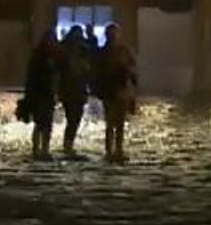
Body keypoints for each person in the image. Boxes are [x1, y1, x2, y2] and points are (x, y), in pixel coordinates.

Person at [95, 24, 137, 163]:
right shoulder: (105, 52)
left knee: (119, 123)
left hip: (120, 89)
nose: (113, 36)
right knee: (112, 123)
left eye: (115, 34)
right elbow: (98, 72)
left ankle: (117, 149)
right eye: (111, 34)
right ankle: (110, 150)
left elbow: (132, 67)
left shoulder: (122, 50)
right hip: (110, 90)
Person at [23, 29, 60, 160]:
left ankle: (44, 149)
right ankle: (37, 150)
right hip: (40, 94)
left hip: (47, 94)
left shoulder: (52, 56)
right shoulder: (40, 56)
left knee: (46, 124)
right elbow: (32, 77)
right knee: (40, 123)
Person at [58, 25, 92, 157]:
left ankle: (68, 144)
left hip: (74, 90)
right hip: (73, 90)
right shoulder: (71, 51)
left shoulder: (68, 49)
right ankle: (68, 144)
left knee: (73, 118)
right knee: (73, 118)